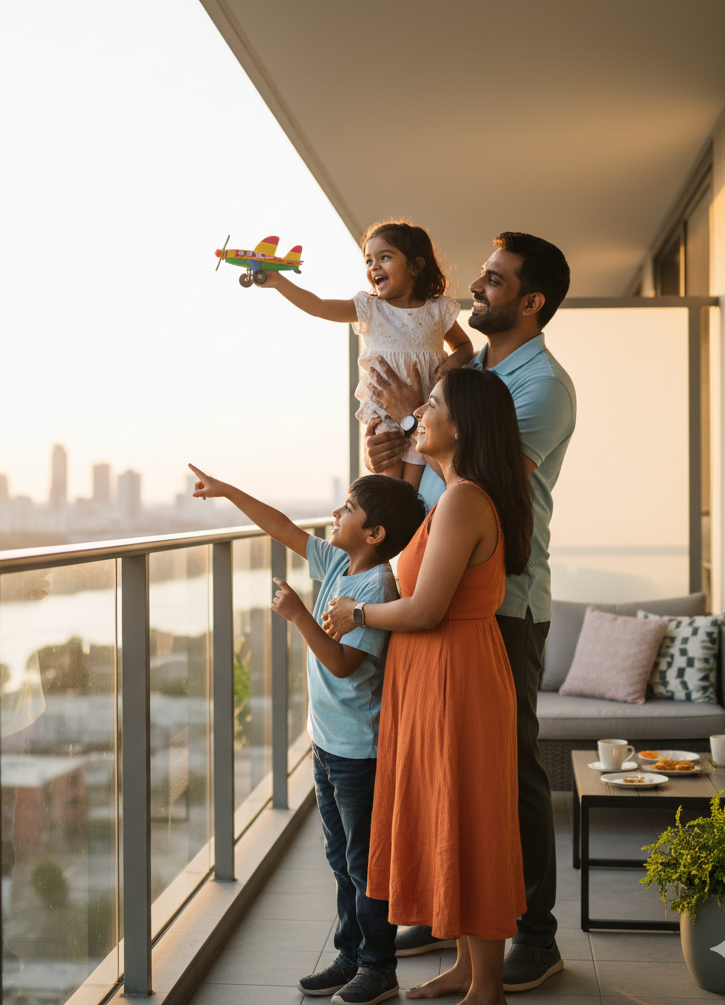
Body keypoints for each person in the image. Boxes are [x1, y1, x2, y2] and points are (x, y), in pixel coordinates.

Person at [360, 232, 575, 992]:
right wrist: (395, 457)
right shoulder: (470, 369)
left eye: (493, 279)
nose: (476, 289)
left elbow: (480, 481)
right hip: (439, 592)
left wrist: (412, 418)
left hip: (499, 603)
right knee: (452, 775)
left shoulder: (539, 386)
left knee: (507, 775)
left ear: (532, 300)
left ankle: (533, 933)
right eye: (482, 277)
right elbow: (432, 478)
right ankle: (461, 913)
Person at [324, 367, 534, 1004]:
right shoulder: (453, 493)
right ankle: (470, 968)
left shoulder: (466, 498)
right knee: (451, 808)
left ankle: (487, 986)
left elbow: (425, 609)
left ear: (461, 426)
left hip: (456, 675)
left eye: (433, 403)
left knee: (471, 815)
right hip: (437, 675)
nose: (422, 411)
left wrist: (355, 615)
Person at [188, 463, 427, 1005]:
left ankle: (378, 966)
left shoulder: (376, 586)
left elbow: (343, 664)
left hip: (356, 754)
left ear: (375, 534)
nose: (336, 514)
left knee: (363, 864)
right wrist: (227, 490)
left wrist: (300, 615)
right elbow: (283, 528)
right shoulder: (339, 562)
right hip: (326, 743)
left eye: (348, 508)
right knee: (340, 857)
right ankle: (350, 954)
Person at [257, 219, 473, 485]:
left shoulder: (438, 310)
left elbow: (464, 346)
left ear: (415, 266)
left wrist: (449, 365)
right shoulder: (370, 308)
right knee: (390, 483)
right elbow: (317, 306)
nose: (375, 267)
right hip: (383, 409)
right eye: (369, 261)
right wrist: (279, 281)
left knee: (415, 480)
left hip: (422, 412)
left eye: (385, 257)